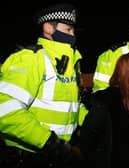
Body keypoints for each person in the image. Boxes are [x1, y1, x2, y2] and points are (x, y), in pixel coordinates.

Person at [0, 2, 83, 168]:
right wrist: (49, 142)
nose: (72, 35)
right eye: (68, 30)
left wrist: (90, 120)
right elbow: (5, 110)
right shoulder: (30, 58)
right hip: (30, 157)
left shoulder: (70, 62)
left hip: (61, 155)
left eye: (73, 30)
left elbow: (69, 106)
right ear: (48, 28)